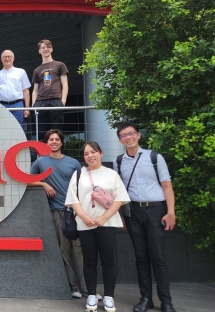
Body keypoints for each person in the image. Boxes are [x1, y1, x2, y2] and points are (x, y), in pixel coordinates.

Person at [114, 123, 177, 312]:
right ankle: (146, 298)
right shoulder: (118, 162)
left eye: (131, 133)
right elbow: (120, 192)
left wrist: (171, 211)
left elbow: (167, 186)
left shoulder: (154, 157)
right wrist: (123, 217)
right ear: (120, 140)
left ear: (139, 135)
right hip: (133, 212)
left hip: (155, 211)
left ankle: (166, 301)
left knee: (158, 257)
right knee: (140, 257)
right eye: (124, 135)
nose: (128, 137)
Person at [65, 141, 130, 312]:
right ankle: (92, 295)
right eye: (86, 154)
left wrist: (103, 218)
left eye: (93, 152)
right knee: (89, 261)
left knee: (109, 261)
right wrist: (85, 217)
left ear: (101, 153)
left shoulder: (111, 174)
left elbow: (119, 199)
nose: (90, 156)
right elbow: (73, 200)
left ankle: (109, 296)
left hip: (107, 224)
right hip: (85, 225)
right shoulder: (78, 174)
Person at [29, 129, 87, 298]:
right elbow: (28, 182)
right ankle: (74, 287)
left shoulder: (73, 163)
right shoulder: (40, 162)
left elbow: (82, 186)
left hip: (76, 211)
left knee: (81, 251)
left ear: (61, 142)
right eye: (50, 139)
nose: (54, 142)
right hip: (57, 212)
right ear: (46, 143)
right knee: (65, 250)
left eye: (57, 139)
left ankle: (86, 288)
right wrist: (44, 185)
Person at [32, 39, 69, 141]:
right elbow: (35, 89)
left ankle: (58, 155)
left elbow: (65, 85)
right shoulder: (37, 70)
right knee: (41, 131)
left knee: (57, 131)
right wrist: (34, 104)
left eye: (48, 47)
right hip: (40, 101)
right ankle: (42, 155)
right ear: (39, 51)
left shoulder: (60, 65)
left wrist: (63, 101)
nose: (45, 49)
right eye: (43, 47)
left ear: (51, 49)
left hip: (55, 99)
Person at [0, 50, 31, 128]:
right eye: (5, 57)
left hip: (18, 105)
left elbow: (26, 90)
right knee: (3, 129)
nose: (7, 58)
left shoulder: (21, 72)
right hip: (2, 105)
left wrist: (27, 108)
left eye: (9, 56)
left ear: (13, 58)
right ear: (1, 60)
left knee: (19, 129)